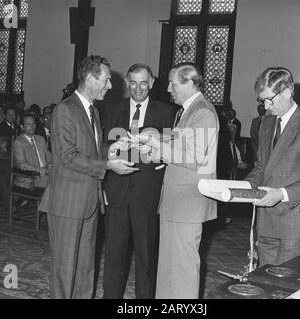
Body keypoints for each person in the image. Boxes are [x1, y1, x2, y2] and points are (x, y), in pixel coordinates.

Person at [43, 55, 139, 299]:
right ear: (89, 78)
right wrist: (107, 165)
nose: (110, 86)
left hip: (90, 201)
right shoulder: (65, 109)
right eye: (106, 80)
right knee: (65, 270)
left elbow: (91, 151)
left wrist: (112, 149)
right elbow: (67, 156)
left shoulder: (93, 111)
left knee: (86, 268)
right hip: (67, 202)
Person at [132, 62, 219, 299]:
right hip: (176, 202)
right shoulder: (188, 110)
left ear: (190, 83)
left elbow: (193, 157)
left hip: (187, 203)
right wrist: (159, 137)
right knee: (170, 268)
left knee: (182, 271)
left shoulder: (202, 111)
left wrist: (157, 147)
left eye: (173, 83)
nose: (168, 88)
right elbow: (183, 142)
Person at [101, 63, 176, 299]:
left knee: (146, 258)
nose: (138, 89)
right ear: (126, 82)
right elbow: (102, 147)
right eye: (133, 83)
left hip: (148, 194)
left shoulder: (168, 113)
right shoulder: (111, 110)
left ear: (152, 83)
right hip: (116, 194)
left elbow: (174, 151)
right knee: (113, 256)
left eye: (144, 83)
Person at [245, 67, 300, 267]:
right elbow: (261, 166)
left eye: (269, 99)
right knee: (264, 285)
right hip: (266, 221)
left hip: (295, 223)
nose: (266, 106)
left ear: (288, 92)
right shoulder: (266, 124)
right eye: (262, 100)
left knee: (288, 289)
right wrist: (245, 188)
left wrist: (281, 194)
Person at [13, 114, 52, 189]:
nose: (32, 126)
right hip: (29, 177)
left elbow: (49, 156)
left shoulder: (40, 139)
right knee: (53, 181)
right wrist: (43, 171)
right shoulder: (19, 143)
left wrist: (51, 165)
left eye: (34, 123)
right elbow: (22, 165)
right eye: (28, 124)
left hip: (45, 174)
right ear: (22, 126)